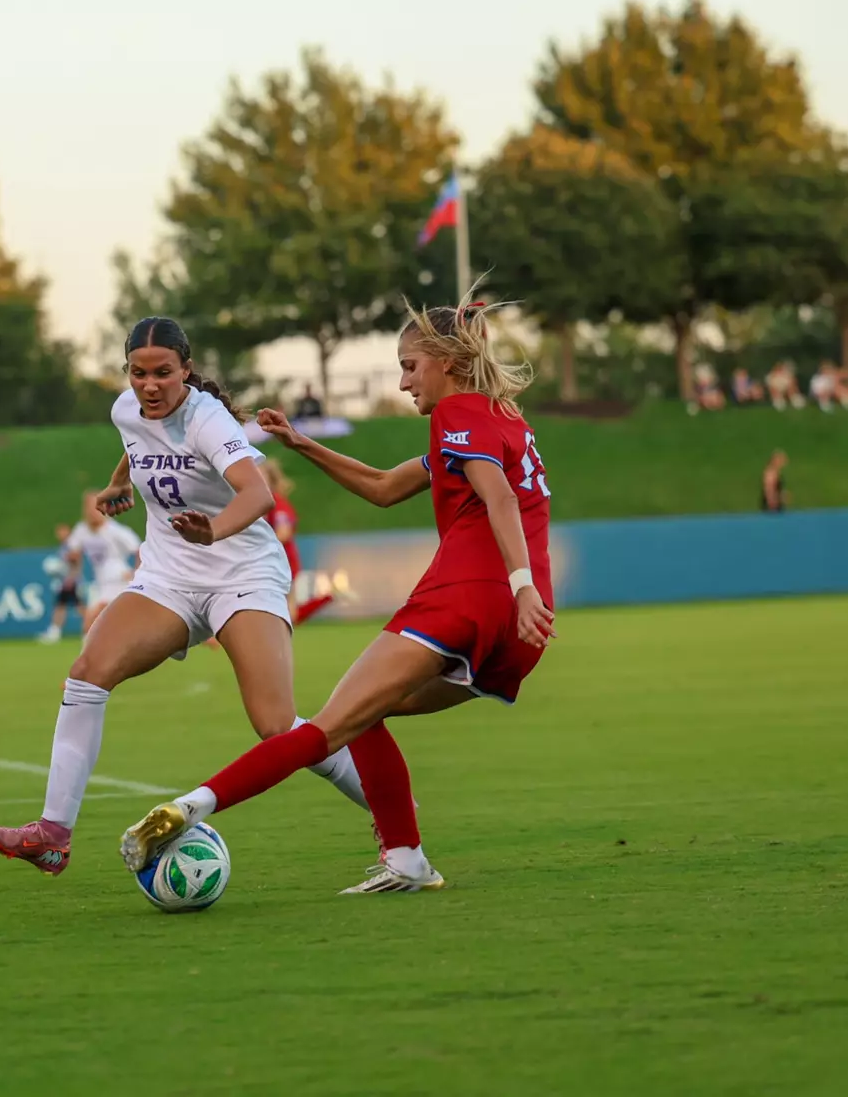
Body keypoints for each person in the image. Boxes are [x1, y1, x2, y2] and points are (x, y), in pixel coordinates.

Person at [120, 293, 555, 894]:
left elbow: (499, 498)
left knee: (327, 726)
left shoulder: (455, 416)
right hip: (516, 629)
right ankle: (406, 861)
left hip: (468, 596)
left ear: (447, 363)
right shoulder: (501, 420)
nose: (403, 382)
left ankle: (189, 808)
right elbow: (381, 486)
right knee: (368, 712)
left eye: (409, 365)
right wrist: (301, 445)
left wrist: (520, 583)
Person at [0, 316, 373, 875]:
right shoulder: (126, 408)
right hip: (169, 577)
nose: (150, 386)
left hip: (244, 574)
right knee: (87, 671)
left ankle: (392, 812)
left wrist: (213, 531)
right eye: (138, 374)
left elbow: (257, 494)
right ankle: (52, 834)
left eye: (163, 373)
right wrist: (119, 482)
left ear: (186, 370)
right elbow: (136, 441)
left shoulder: (207, 419)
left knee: (276, 725)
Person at [62, 489, 143, 641]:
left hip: (119, 580)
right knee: (92, 625)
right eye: (88, 507)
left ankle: (89, 659)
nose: (92, 512)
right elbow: (74, 551)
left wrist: (136, 573)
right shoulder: (82, 530)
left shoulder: (116, 531)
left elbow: (139, 550)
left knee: (92, 621)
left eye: (95, 507)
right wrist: (70, 559)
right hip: (100, 583)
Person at [262, 457, 332, 625]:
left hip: (281, 563)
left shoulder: (277, 503)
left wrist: (256, 546)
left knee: (284, 612)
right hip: (270, 562)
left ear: (270, 480)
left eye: (260, 476)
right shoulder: (259, 502)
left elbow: (283, 532)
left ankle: (325, 598)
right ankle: (325, 598)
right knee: (283, 612)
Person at [39, 524, 83, 644]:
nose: (60, 534)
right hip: (65, 582)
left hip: (71, 582)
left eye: (62, 532)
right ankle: (55, 631)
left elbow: (76, 562)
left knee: (79, 608)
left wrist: (72, 579)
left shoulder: (71, 545)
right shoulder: (64, 546)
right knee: (61, 606)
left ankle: (91, 629)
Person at [761, 450, 788, 514]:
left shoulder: (776, 473)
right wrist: (772, 505)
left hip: (776, 505)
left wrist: (782, 495)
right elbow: (769, 491)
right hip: (772, 507)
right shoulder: (770, 474)